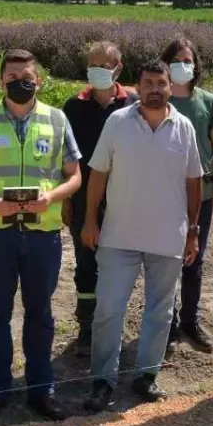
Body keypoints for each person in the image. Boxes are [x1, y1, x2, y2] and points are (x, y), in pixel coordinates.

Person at [0, 49, 83, 422]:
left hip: (42, 233)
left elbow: (74, 175)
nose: (20, 82)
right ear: (1, 82)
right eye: (12, 78)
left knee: (40, 313)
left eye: (26, 76)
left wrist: (52, 197)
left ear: (39, 80)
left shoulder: (57, 119)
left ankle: (40, 390)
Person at [81, 60, 204, 411]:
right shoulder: (118, 122)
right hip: (119, 236)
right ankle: (103, 381)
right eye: (148, 82)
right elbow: (98, 174)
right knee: (107, 309)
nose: (155, 88)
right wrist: (90, 219)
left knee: (160, 311)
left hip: (168, 237)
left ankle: (146, 376)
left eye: (161, 83)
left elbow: (193, 181)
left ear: (169, 87)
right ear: (138, 85)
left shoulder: (184, 127)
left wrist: (193, 231)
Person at [61, 41, 138, 357]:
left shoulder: (133, 104)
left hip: (125, 199)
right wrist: (67, 199)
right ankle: (87, 326)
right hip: (83, 201)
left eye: (103, 66)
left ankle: (113, 324)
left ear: (118, 68)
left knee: (119, 264)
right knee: (86, 263)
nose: (96, 71)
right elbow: (66, 158)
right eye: (91, 65)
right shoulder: (73, 107)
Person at [161, 38, 213, 355]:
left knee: (193, 260)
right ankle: (168, 325)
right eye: (175, 60)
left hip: (203, 193)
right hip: (165, 191)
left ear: (196, 65)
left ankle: (190, 321)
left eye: (187, 60)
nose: (182, 66)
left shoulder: (208, 102)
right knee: (167, 258)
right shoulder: (159, 100)